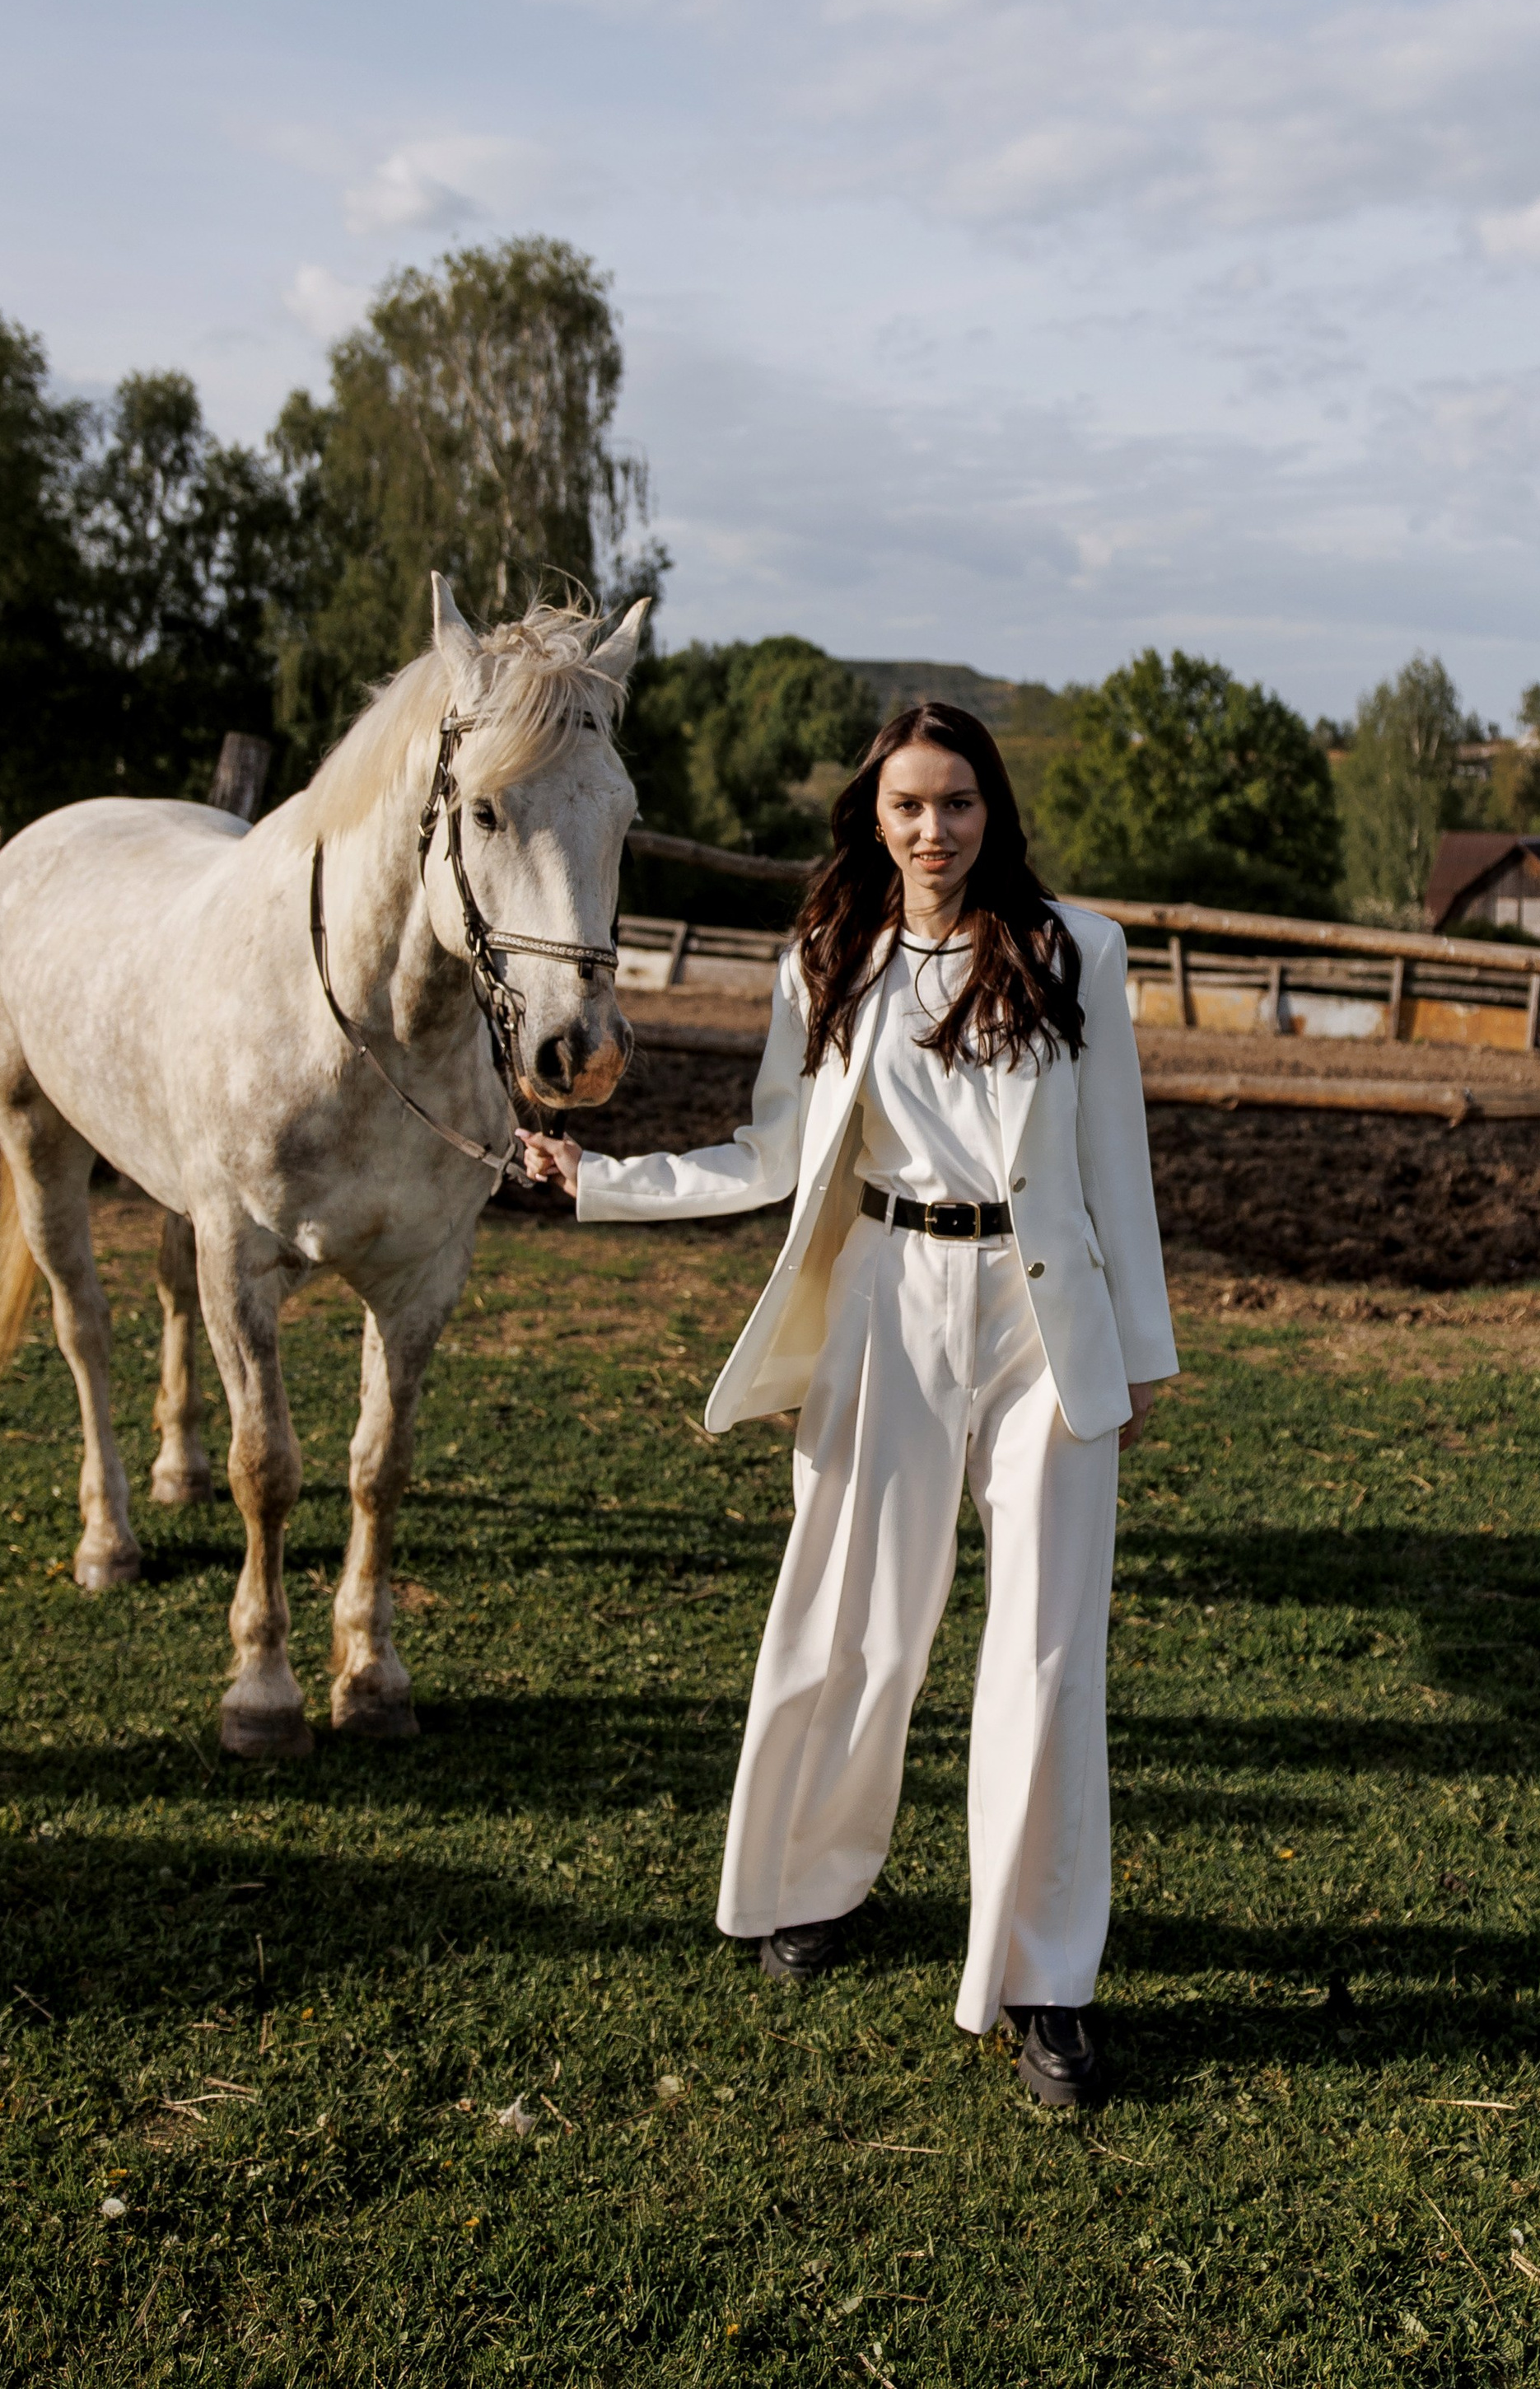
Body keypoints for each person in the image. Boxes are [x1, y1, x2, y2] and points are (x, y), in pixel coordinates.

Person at [519, 700, 1175, 2108]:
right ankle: (815, 1882)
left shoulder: (1076, 951)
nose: (934, 830)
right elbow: (776, 1150)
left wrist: (1138, 1362)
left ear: (992, 812)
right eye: (907, 808)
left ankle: (1046, 1980)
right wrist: (602, 1180)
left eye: (957, 804)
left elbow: (1119, 1170)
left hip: (1039, 1319)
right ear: (872, 820)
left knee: (1049, 1656)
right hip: (884, 1298)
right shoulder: (829, 957)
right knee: (855, 1613)